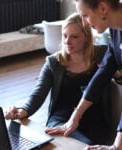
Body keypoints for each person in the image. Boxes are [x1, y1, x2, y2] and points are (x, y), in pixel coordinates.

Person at [5, 13, 109, 144]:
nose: (67, 41)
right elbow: (38, 94)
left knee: (88, 145)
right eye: (65, 36)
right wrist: (22, 110)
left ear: (87, 37)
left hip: (95, 122)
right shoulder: (54, 62)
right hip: (61, 120)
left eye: (74, 37)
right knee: (79, 145)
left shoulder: (103, 54)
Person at [46, 0, 122, 149]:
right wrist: (75, 117)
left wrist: (116, 146)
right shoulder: (116, 30)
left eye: (85, 15)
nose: (85, 24)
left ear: (103, 8)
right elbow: (102, 74)